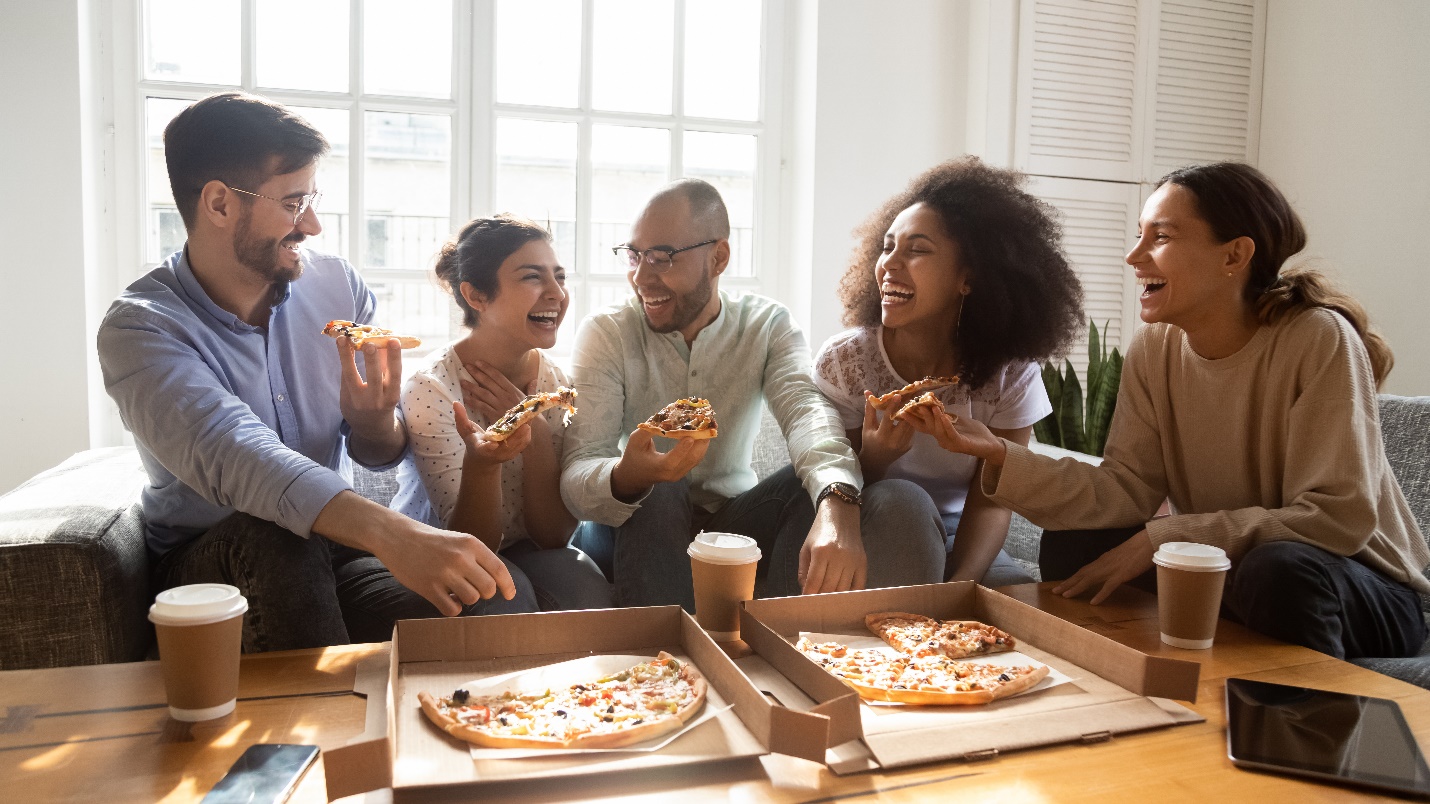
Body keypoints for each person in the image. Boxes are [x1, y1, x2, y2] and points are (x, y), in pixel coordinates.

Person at [905, 161, 1429, 660]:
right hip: (1235, 567)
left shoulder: (1317, 337)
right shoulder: (1154, 348)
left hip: (1364, 585)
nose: (1134, 257)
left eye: (1160, 237)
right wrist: (996, 451)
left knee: (1279, 570)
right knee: (1079, 544)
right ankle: (1119, 693)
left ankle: (1301, 730)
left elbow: (1338, 518)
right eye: (1139, 235)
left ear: (1234, 256)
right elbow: (1124, 490)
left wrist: (1168, 535)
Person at [98, 92, 533, 653]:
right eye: (293, 201)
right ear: (219, 203)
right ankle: (319, 741)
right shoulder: (140, 330)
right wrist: (394, 533)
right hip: (210, 567)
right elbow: (235, 454)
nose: (314, 225)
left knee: (491, 596)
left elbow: (378, 453)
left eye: (312, 198)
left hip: (333, 548)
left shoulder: (336, 287)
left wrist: (377, 425)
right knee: (275, 538)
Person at [561, 178, 946, 611]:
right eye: (633, 256)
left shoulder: (767, 324)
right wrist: (627, 475)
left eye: (662, 258)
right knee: (661, 487)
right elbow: (576, 476)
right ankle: (667, 659)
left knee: (822, 481)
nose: (641, 276)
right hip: (625, 525)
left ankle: (780, 641)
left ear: (719, 256)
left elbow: (807, 414)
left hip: (730, 521)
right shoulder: (605, 332)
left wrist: (837, 499)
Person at [814, 157, 1084, 587]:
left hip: (961, 536)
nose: (889, 264)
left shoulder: (1009, 374)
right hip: (871, 525)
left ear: (969, 279)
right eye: (887, 247)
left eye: (917, 250)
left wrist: (959, 587)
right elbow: (835, 487)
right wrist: (877, 457)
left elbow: (992, 503)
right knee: (905, 503)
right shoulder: (846, 361)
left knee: (1022, 618)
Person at [391, 215, 613, 610]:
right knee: (504, 597)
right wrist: (486, 461)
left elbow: (553, 538)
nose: (557, 294)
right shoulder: (433, 388)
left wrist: (537, 437)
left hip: (530, 549)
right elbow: (468, 541)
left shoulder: (556, 383)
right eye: (532, 277)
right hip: (442, 552)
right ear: (477, 296)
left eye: (559, 277)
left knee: (586, 589)